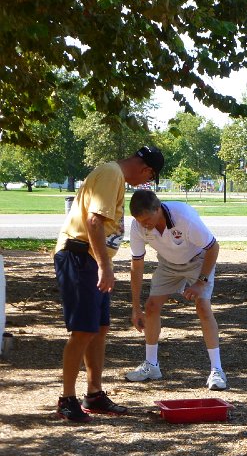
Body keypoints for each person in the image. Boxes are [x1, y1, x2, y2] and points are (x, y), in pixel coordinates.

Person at [53, 145, 164, 422]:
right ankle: (67, 399)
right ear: (146, 169)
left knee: (99, 328)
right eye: (150, 177)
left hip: (93, 259)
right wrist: (104, 266)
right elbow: (93, 221)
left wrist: (105, 264)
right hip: (80, 256)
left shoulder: (115, 176)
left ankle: (94, 393)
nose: (145, 183)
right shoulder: (111, 174)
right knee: (82, 330)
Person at [125, 190, 227, 390]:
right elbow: (136, 265)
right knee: (151, 306)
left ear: (158, 208)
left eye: (147, 219)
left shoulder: (184, 217)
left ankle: (217, 370)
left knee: (203, 307)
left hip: (198, 261)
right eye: (140, 220)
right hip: (168, 264)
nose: (144, 225)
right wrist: (135, 307)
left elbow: (213, 247)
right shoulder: (138, 226)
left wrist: (200, 282)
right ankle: (151, 365)